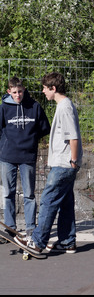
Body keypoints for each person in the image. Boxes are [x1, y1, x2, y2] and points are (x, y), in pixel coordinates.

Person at [15, 72, 83, 255]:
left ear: (53, 88)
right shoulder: (63, 106)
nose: (43, 91)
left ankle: (37, 243)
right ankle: (68, 242)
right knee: (66, 202)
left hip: (65, 164)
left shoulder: (65, 107)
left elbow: (73, 137)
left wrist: (73, 161)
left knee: (48, 201)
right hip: (62, 162)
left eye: (45, 88)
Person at [0, 77, 50, 236]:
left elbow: (44, 128)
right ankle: (10, 227)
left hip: (27, 156)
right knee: (8, 193)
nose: (18, 95)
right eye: (14, 92)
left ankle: (30, 227)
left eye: (20, 91)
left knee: (29, 194)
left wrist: (31, 140)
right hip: (7, 156)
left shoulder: (34, 106)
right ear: (9, 92)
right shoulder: (3, 108)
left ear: (24, 90)